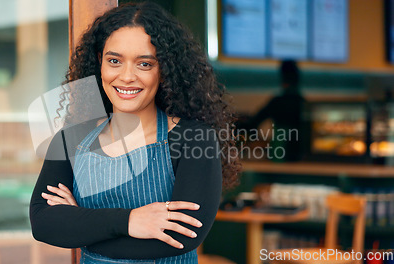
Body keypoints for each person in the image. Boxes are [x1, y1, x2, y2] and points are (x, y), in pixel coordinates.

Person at [29, 2, 241, 263]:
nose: (127, 76)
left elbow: (182, 237)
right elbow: (42, 223)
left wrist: (80, 222)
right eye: (114, 61)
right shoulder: (71, 139)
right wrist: (130, 221)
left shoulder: (194, 139)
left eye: (144, 64)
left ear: (164, 69)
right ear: (100, 63)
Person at [243, 60, 306, 162]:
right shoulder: (302, 103)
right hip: (299, 156)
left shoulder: (277, 102)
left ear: (282, 78)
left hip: (279, 153)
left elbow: (254, 123)